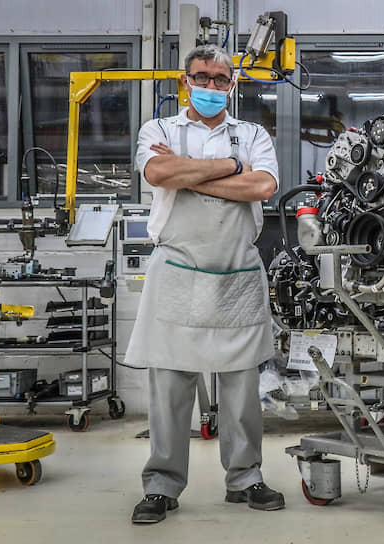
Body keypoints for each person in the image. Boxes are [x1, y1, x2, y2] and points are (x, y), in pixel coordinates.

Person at [126, 44, 283, 524]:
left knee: (241, 387)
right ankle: (161, 485)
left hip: (237, 271)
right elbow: (158, 171)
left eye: (220, 79)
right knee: (170, 386)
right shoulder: (159, 130)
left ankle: (245, 479)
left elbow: (262, 187)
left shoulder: (252, 133)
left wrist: (187, 174)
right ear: (185, 80)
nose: (211, 86)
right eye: (202, 77)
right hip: (177, 269)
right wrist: (230, 168)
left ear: (232, 85)